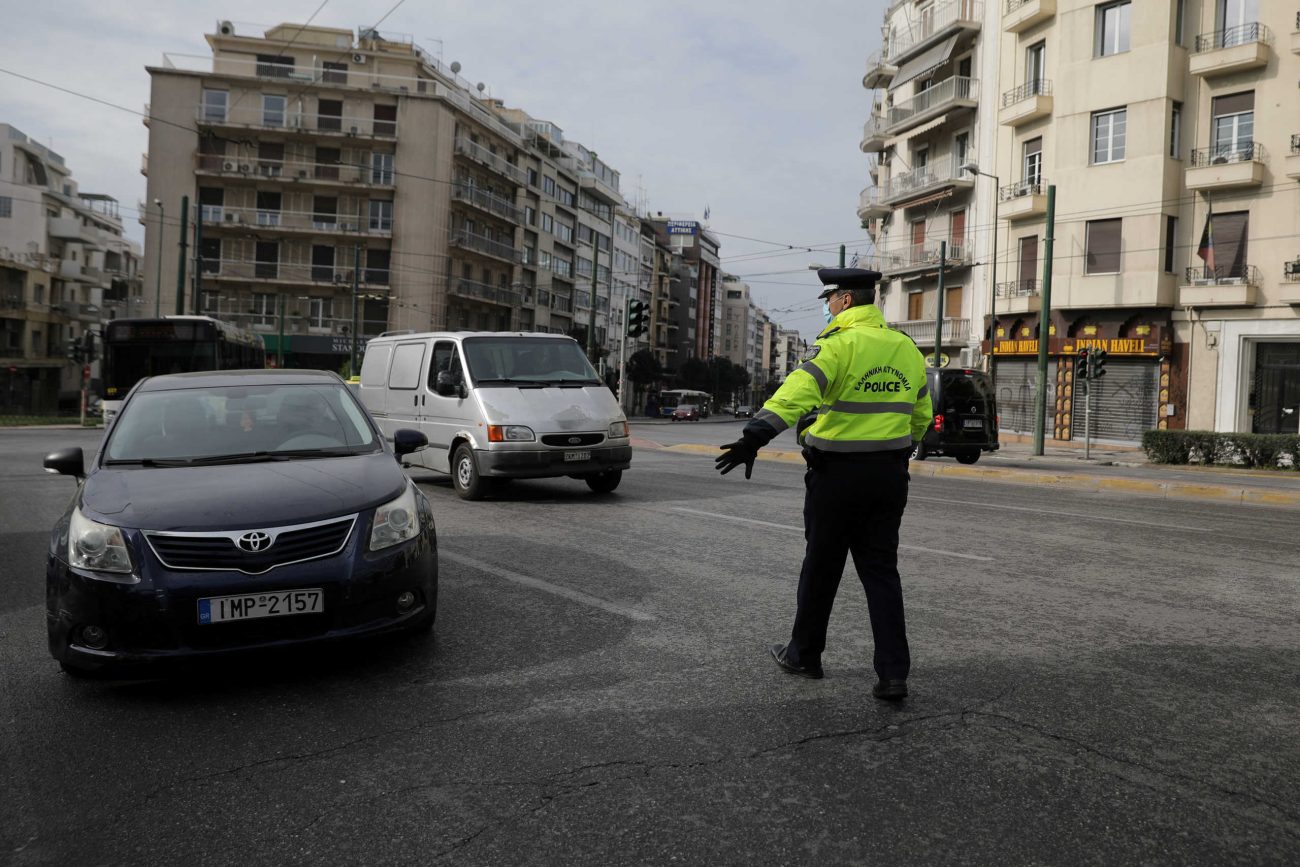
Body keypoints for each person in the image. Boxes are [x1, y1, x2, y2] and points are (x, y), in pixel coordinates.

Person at [715, 268, 932, 701]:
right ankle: (893, 675)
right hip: (889, 478)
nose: (828, 304)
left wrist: (752, 437)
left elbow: (794, 394)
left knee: (821, 567)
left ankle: (804, 655)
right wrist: (895, 454)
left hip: (837, 477)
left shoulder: (839, 345)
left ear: (847, 300)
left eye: (830, 297)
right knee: (881, 573)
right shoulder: (906, 349)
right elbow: (921, 415)